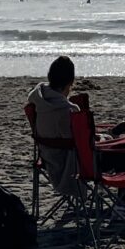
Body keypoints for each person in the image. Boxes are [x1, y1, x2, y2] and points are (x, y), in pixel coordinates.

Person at [27, 55, 85, 196]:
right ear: (70, 82)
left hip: (46, 156)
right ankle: (124, 203)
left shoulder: (37, 101)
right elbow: (78, 143)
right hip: (67, 163)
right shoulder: (68, 110)